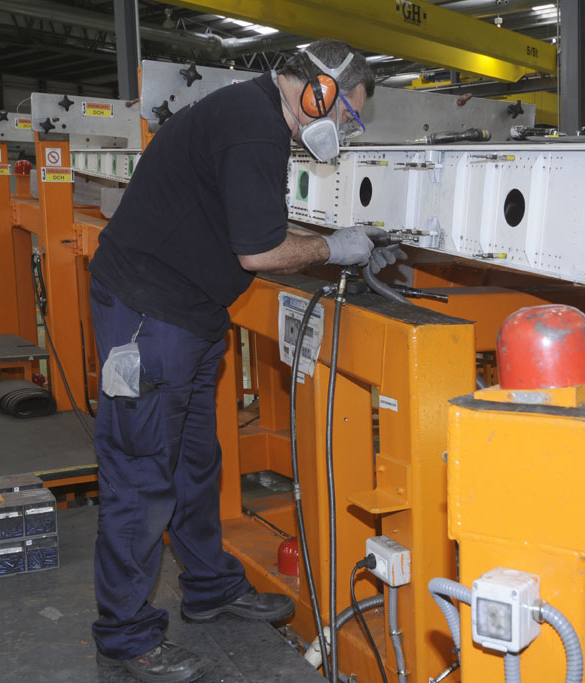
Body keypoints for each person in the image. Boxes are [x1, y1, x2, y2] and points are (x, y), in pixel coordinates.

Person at [87, 39, 398, 683]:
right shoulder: (253, 127)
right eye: (347, 114)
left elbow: (255, 227)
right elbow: (258, 252)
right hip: (148, 315)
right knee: (142, 476)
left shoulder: (255, 116)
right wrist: (335, 248)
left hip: (189, 315)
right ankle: (124, 634)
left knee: (194, 462)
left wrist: (339, 241)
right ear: (317, 91)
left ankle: (208, 587)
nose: (344, 128)